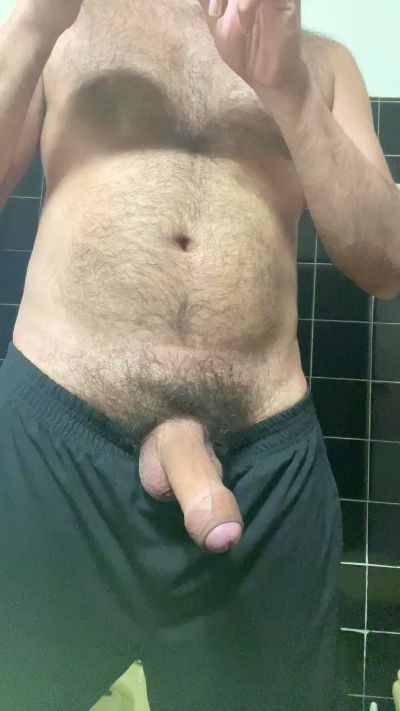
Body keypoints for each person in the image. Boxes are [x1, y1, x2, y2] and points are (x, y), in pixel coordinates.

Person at [0, 0, 399, 709]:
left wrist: (290, 93)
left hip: (264, 466)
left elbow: (387, 264)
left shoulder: (321, 62)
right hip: (52, 447)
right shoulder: (64, 24)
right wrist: (32, 24)